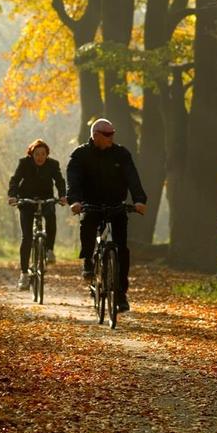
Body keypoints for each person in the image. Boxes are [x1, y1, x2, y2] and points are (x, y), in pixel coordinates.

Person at [66, 118, 147, 313]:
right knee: (87, 228)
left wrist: (139, 200)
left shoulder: (121, 154)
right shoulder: (80, 154)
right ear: (95, 136)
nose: (112, 137)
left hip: (116, 205)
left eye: (113, 134)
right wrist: (75, 201)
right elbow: (73, 180)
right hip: (91, 204)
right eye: (107, 135)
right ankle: (88, 261)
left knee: (122, 249)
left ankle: (120, 295)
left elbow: (132, 177)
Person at [8, 139, 66, 290]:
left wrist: (62, 195)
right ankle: (24, 274)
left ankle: (49, 250)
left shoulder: (53, 165)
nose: (40, 157)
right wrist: (12, 195)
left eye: (43, 154)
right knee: (27, 237)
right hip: (26, 200)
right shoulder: (24, 163)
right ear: (31, 154)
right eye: (37, 154)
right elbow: (15, 180)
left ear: (47, 154)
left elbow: (60, 181)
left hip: (46, 199)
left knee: (51, 217)